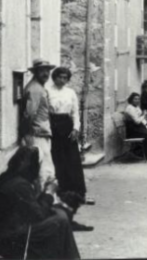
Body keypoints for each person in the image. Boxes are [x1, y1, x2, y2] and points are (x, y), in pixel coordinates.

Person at [0, 146, 81, 259]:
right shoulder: (19, 185)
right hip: (4, 238)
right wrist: (48, 193)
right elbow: (38, 215)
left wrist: (40, 191)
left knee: (59, 215)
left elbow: (30, 208)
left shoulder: (9, 176)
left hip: (3, 232)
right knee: (60, 220)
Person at [47, 67, 94, 213]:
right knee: (57, 158)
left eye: (65, 78)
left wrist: (75, 129)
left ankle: (77, 194)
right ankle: (60, 192)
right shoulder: (47, 91)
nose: (62, 80)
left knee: (72, 159)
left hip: (67, 126)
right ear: (54, 78)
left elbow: (75, 113)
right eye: (59, 77)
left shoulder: (70, 92)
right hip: (53, 126)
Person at [22, 59, 57, 188]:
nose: (46, 73)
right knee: (44, 170)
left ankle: (42, 199)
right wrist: (28, 133)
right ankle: (41, 202)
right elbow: (29, 113)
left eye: (48, 70)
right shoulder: (35, 88)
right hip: (37, 134)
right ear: (35, 72)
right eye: (42, 70)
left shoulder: (39, 87)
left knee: (44, 169)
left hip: (42, 132)